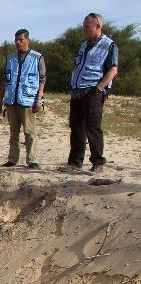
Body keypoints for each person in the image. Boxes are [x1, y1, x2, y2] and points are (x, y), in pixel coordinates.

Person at [65, 13, 119, 173]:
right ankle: (75, 162)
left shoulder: (109, 45)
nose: (84, 29)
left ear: (97, 26)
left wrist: (99, 87)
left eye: (87, 27)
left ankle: (98, 162)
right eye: (83, 26)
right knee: (76, 127)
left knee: (93, 127)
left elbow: (113, 69)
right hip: (77, 90)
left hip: (93, 91)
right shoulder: (83, 45)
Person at [0, 29, 46, 169]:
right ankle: (12, 159)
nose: (18, 43)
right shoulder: (10, 58)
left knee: (30, 131)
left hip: (28, 100)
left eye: (21, 40)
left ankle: (32, 160)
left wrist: (39, 99)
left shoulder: (37, 58)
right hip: (11, 100)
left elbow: (42, 79)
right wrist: (1, 100)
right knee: (13, 132)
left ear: (27, 40)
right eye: (16, 40)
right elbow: (5, 80)